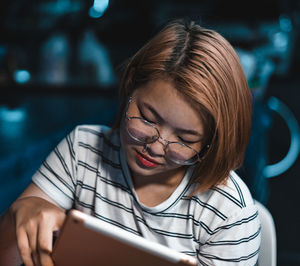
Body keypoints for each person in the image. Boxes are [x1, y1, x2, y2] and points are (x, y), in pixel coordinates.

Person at [0, 18, 261, 266]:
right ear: (130, 86)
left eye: (184, 139)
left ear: (211, 142)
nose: (156, 147)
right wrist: (23, 212)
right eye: (147, 118)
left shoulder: (228, 212)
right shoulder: (83, 150)